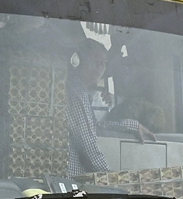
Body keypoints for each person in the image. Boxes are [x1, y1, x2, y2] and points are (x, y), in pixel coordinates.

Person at [65, 39, 153, 176]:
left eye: (103, 63)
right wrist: (111, 178)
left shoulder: (84, 93)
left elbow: (96, 127)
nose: (100, 67)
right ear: (79, 61)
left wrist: (133, 125)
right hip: (71, 179)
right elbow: (88, 147)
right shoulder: (76, 94)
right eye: (95, 61)